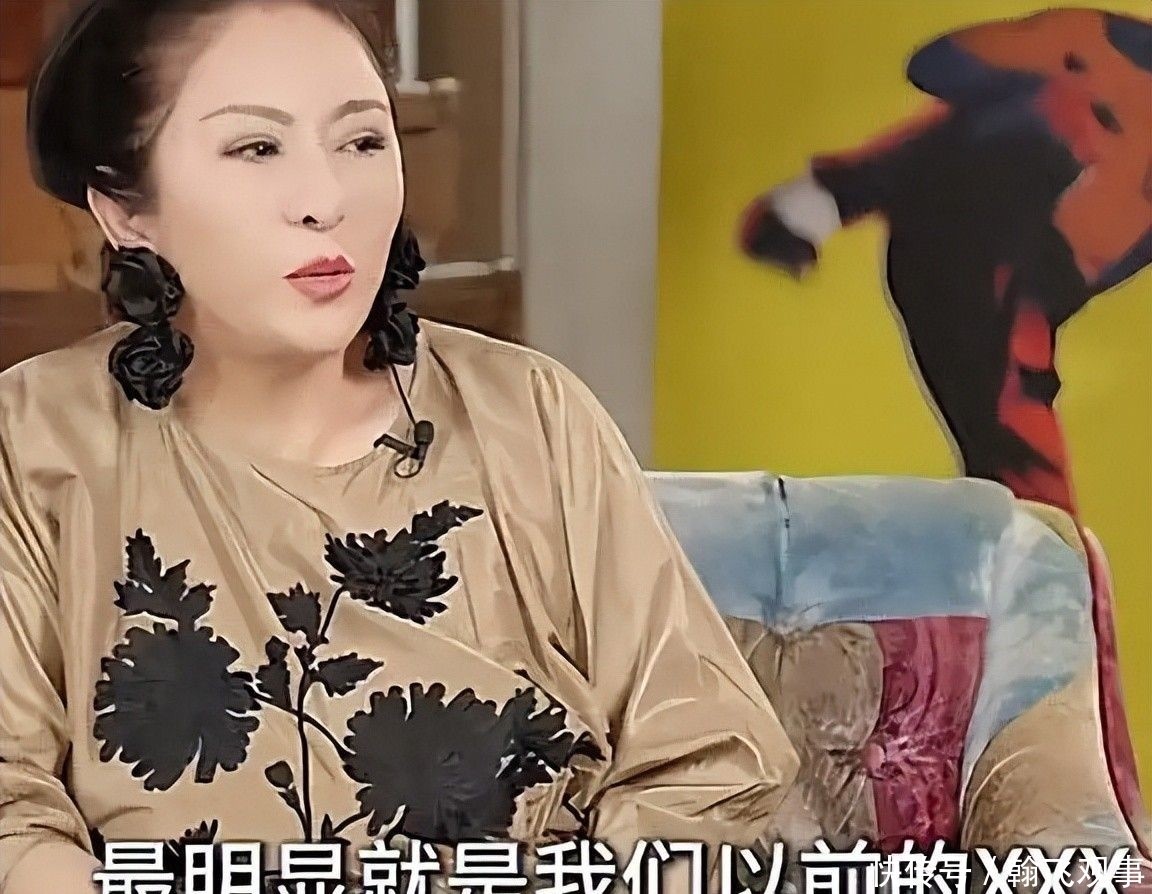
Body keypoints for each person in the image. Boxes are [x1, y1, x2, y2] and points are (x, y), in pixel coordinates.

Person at [0, 1, 799, 891]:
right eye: (257, 148)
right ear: (125, 210)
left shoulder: (528, 417)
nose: (326, 201)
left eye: (362, 141)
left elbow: (707, 767)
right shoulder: (34, 444)